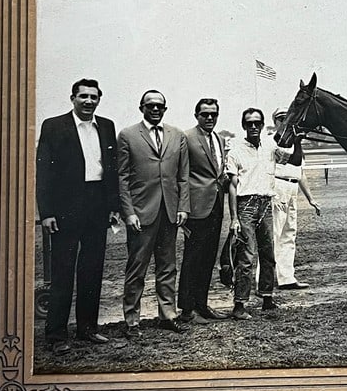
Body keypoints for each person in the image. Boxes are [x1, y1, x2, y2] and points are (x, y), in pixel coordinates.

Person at [35, 79, 122, 354]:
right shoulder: (53, 126)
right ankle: (57, 335)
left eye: (93, 97)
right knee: (63, 270)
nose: (88, 101)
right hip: (66, 207)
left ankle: (87, 328)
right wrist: (47, 213)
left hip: (97, 204)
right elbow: (43, 174)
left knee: (92, 268)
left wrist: (112, 207)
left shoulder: (106, 126)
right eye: (83, 96)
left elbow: (111, 171)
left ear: (99, 99)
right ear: (72, 98)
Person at [117, 90, 190, 336]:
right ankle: (132, 320)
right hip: (141, 213)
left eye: (160, 106)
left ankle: (168, 315)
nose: (156, 110)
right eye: (151, 106)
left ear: (165, 109)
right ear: (142, 108)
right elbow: (123, 178)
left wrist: (182, 207)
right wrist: (129, 212)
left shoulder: (177, 135)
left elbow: (183, 177)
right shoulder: (127, 135)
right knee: (137, 267)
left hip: (169, 212)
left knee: (168, 267)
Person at [177, 98, 231, 323]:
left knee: (209, 258)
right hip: (195, 209)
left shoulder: (219, 138)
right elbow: (180, 175)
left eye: (214, 114)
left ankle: (202, 304)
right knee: (192, 258)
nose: (210, 118)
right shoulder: (187, 137)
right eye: (205, 114)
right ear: (196, 115)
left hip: (216, 206)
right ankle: (187, 310)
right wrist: (184, 208)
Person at [225, 107, 280, 318]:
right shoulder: (236, 151)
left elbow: (289, 158)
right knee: (245, 257)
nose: (254, 126)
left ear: (263, 124)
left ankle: (267, 298)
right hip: (245, 205)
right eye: (250, 123)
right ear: (244, 126)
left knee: (268, 253)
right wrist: (234, 218)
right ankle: (239, 305)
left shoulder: (270, 146)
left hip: (266, 203)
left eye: (257, 122)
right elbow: (232, 185)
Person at [271, 134, 321, 290]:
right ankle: (264, 279)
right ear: (276, 121)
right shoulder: (273, 143)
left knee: (289, 233)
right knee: (274, 233)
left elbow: (300, 173)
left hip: (292, 188)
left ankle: (286, 278)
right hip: (278, 185)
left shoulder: (297, 145)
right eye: (281, 118)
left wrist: (310, 199)